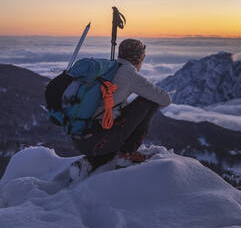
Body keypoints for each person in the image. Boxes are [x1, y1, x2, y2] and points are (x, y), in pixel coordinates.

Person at [70, 39, 171, 179]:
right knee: (148, 101)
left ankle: (89, 163)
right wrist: (141, 116)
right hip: (99, 140)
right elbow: (165, 99)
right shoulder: (129, 74)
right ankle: (127, 154)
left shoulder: (108, 68)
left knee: (114, 119)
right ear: (139, 57)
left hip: (79, 138)